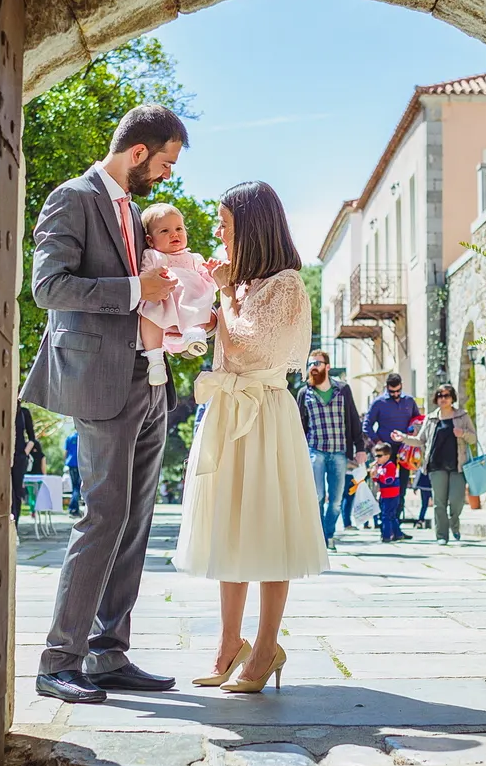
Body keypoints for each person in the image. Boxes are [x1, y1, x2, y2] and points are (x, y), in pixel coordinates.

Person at [20, 104, 188, 705]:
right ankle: (59, 659)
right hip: (98, 381)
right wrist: (131, 290)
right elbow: (47, 288)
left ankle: (107, 654)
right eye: (165, 162)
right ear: (138, 153)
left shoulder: (133, 213)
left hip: (152, 381)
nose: (167, 175)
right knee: (101, 515)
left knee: (135, 521)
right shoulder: (72, 198)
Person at [175, 181, 325, 694]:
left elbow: (249, 348)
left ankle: (265, 648)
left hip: (263, 415)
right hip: (227, 412)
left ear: (252, 225)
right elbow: (215, 345)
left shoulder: (286, 285)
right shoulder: (239, 285)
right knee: (229, 526)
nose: (217, 231)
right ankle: (227, 643)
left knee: (267, 527)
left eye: (225, 222)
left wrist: (220, 294)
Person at [137, 203, 218, 386]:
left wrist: (212, 272)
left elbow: (209, 282)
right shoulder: (153, 256)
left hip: (189, 305)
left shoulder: (194, 258)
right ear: (150, 240)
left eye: (179, 228)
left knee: (200, 302)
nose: (174, 234)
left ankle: (194, 335)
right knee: (149, 314)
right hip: (164, 300)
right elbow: (145, 279)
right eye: (165, 230)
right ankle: (156, 361)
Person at [295, 348, 367, 552]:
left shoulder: (343, 389)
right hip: (315, 451)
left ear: (327, 367)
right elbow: (300, 426)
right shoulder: (304, 392)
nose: (313, 367)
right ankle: (319, 538)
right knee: (317, 496)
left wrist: (360, 448)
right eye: (310, 364)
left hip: (339, 452)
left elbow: (353, 419)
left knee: (335, 501)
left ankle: (328, 535)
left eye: (317, 363)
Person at [398, 383, 479, 545]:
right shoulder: (431, 418)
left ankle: (454, 524)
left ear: (452, 398)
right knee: (439, 503)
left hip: (458, 465)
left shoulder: (462, 416)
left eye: (447, 395)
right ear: (436, 398)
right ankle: (441, 535)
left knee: (456, 501)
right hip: (436, 465)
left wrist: (462, 433)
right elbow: (420, 440)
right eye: (440, 395)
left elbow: (474, 438)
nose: (443, 399)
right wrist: (403, 437)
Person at [362, 372, 419, 540]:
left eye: (398, 391)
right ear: (387, 388)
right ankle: (384, 526)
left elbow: (417, 419)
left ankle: (397, 528)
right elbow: (367, 425)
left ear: (401, 386)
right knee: (386, 490)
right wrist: (378, 444)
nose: (395, 395)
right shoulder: (379, 402)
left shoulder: (409, 401)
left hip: (404, 453)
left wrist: (412, 432)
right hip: (386, 454)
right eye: (392, 392)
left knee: (400, 489)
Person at [369, 442, 403, 542]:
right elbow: (378, 480)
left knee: (386, 515)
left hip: (391, 495)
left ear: (387, 456)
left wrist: (378, 476)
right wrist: (374, 475)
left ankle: (386, 535)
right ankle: (398, 534)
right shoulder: (380, 467)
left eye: (379, 456)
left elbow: (389, 480)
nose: (377, 458)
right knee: (390, 515)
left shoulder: (390, 466)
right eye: (375, 456)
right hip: (384, 494)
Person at [64, 429, 81, 517]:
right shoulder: (81, 436)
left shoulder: (69, 437)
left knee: (75, 487)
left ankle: (75, 509)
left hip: (70, 464)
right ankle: (73, 508)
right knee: (77, 487)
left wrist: (65, 463)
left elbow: (66, 452)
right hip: (80, 464)